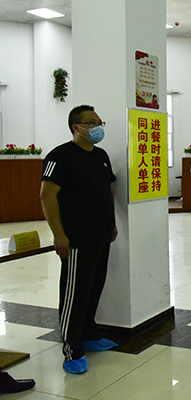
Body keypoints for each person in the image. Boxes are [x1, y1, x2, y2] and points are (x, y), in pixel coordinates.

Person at [40, 105, 118, 374]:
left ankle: (89, 333)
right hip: (76, 238)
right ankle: (72, 348)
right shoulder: (60, 156)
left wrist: (112, 223)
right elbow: (46, 195)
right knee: (74, 293)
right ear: (76, 127)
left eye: (99, 121)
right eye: (91, 122)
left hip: (101, 234)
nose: (97, 127)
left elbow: (107, 189)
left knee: (94, 287)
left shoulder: (101, 155)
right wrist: (58, 234)